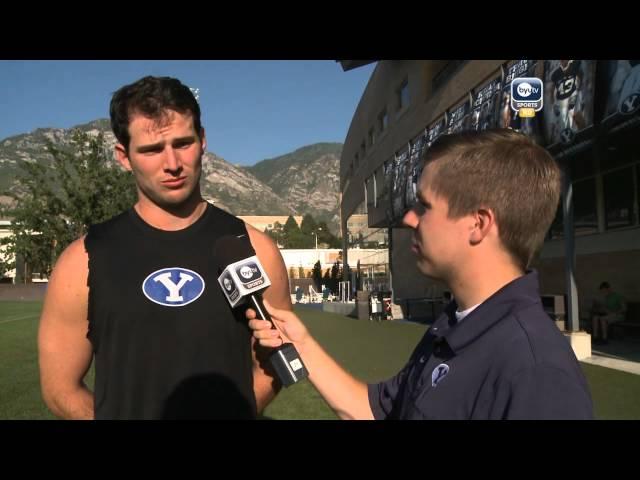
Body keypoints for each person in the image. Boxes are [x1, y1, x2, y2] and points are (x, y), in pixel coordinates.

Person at [247, 129, 594, 419]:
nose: (409, 219)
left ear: (478, 224)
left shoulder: (536, 371)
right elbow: (373, 411)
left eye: (424, 206)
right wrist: (302, 344)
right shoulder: (454, 325)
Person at [38, 76, 291, 419]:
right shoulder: (82, 261)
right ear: (124, 156)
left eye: (183, 143)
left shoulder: (253, 249)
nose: (172, 164)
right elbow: (59, 388)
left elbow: (276, 362)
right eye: (152, 150)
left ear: (202, 141)